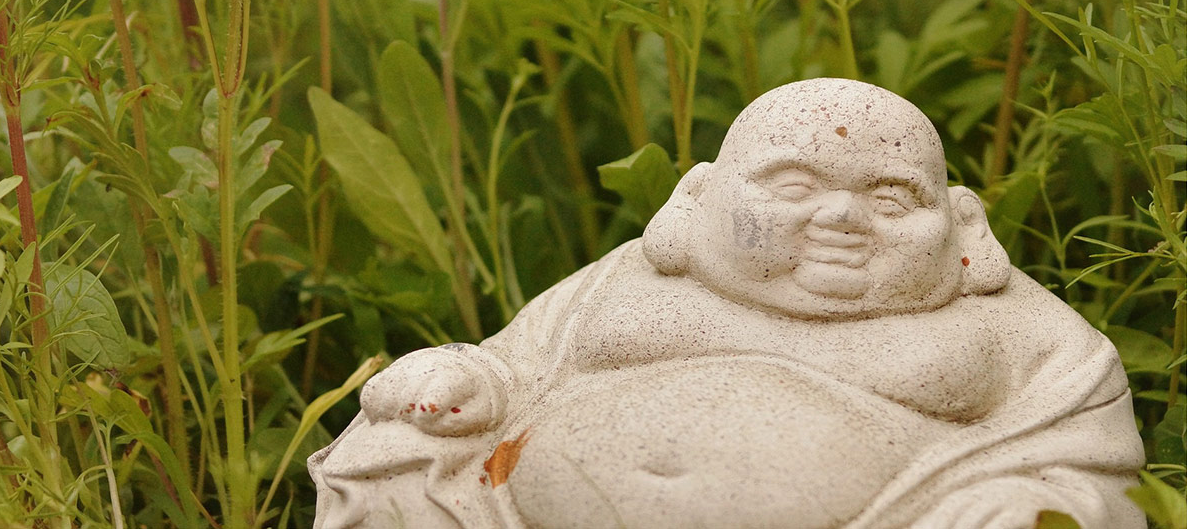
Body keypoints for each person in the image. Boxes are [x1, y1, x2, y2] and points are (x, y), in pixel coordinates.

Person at [310, 79, 1145, 529]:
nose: (841, 219)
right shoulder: (627, 280)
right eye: (792, 186)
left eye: (891, 198)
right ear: (696, 199)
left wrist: (1028, 506)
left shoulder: (1004, 324)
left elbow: (1089, 458)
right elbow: (509, 362)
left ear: (964, 229)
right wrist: (462, 379)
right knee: (396, 456)